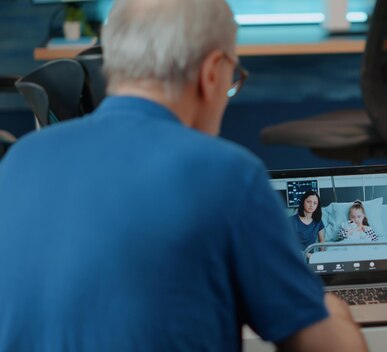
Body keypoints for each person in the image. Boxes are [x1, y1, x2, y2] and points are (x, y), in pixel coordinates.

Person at [0, 0, 367, 351]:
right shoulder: (228, 175)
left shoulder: (18, 161)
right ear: (211, 72)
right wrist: (328, 307)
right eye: (232, 77)